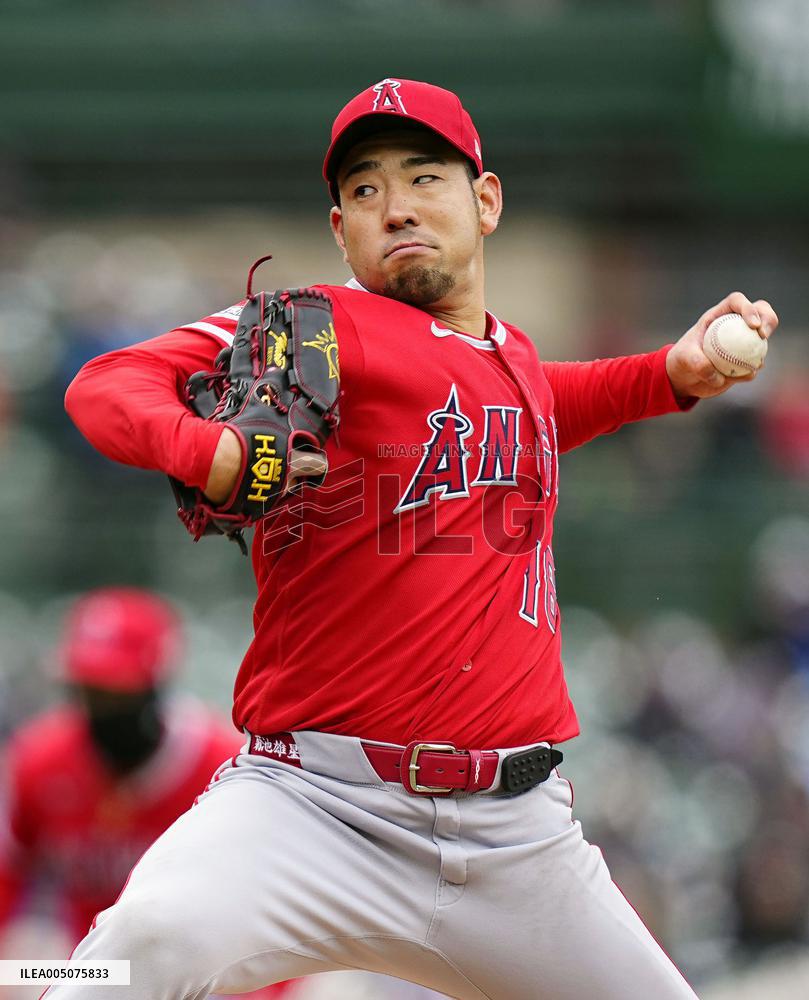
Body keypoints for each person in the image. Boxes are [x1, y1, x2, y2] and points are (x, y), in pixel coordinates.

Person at [48, 78, 778, 999]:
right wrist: (211, 449)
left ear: (485, 201)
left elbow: (544, 399)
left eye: (422, 176)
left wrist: (667, 375)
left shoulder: (506, 355)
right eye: (363, 190)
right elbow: (105, 384)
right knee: (116, 967)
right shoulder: (315, 326)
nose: (393, 207)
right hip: (315, 811)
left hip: (520, 843)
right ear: (338, 227)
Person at [0, 587, 293, 999]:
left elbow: (282, 900)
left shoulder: (223, 766)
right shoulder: (40, 760)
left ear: (156, 683)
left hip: (207, 978)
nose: (97, 709)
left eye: (113, 692)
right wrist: (22, 974)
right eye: (85, 690)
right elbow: (10, 876)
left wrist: (264, 992)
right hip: (95, 977)